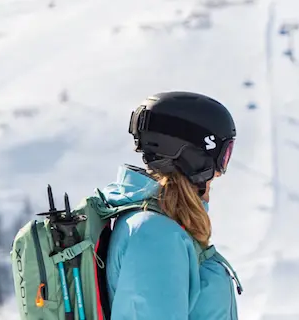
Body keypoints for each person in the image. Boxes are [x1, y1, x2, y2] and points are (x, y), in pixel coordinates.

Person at [98, 91, 244, 320]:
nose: (219, 172)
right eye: (223, 156)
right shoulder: (155, 235)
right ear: (195, 157)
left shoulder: (162, 229)